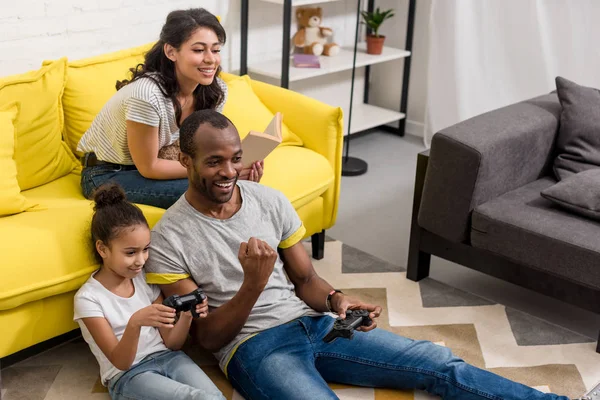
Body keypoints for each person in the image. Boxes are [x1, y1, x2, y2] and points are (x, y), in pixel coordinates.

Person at [144, 109, 581, 400]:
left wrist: (338, 301)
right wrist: (253, 284)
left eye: (236, 159)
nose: (229, 173)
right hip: (254, 348)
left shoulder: (269, 200)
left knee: (439, 363)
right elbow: (210, 339)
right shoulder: (168, 238)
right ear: (185, 160)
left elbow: (306, 282)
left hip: (314, 323)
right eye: (214, 161)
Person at [77, 8, 263, 209]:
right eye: (199, 50)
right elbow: (150, 167)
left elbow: (205, 148)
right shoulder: (146, 96)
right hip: (106, 175)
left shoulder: (215, 92)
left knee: (230, 187)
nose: (211, 59)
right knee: (214, 192)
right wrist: (218, 172)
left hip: (149, 168)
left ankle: (267, 240)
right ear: (171, 52)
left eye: (216, 50)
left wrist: (234, 169)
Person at [73, 183, 225, 400]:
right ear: (102, 249)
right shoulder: (88, 299)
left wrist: (186, 315)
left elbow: (172, 343)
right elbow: (121, 362)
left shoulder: (144, 280)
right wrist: (135, 323)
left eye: (145, 249)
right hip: (129, 375)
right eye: (130, 252)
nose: (141, 260)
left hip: (170, 358)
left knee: (214, 396)